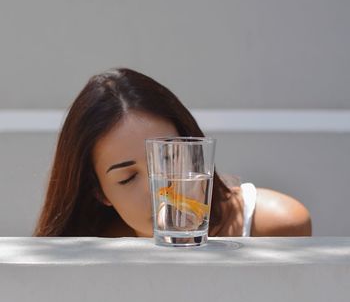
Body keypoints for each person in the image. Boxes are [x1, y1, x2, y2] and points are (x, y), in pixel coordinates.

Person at [34, 68, 312, 238]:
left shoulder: (273, 224)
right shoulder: (92, 251)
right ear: (99, 192)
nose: (160, 189)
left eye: (169, 157)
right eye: (128, 178)